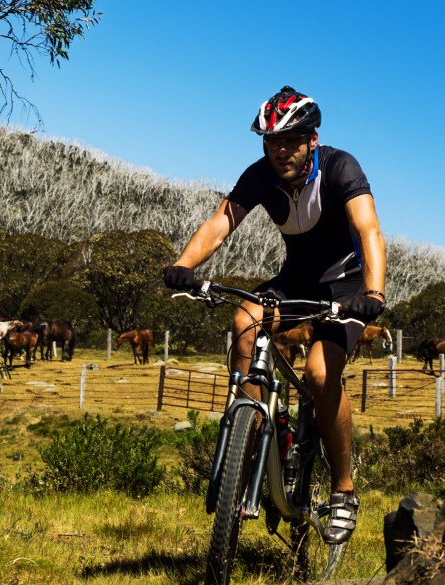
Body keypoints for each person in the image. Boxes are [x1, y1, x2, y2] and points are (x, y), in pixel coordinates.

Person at [163, 85, 386, 544]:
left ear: (312, 140)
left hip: (344, 285)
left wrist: (374, 293)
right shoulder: (260, 175)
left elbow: (369, 229)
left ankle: (343, 490)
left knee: (322, 375)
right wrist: (184, 265)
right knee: (244, 321)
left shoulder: (342, 168)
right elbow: (220, 222)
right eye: (271, 141)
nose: (280, 150)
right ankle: (250, 434)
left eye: (290, 140)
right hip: (295, 279)